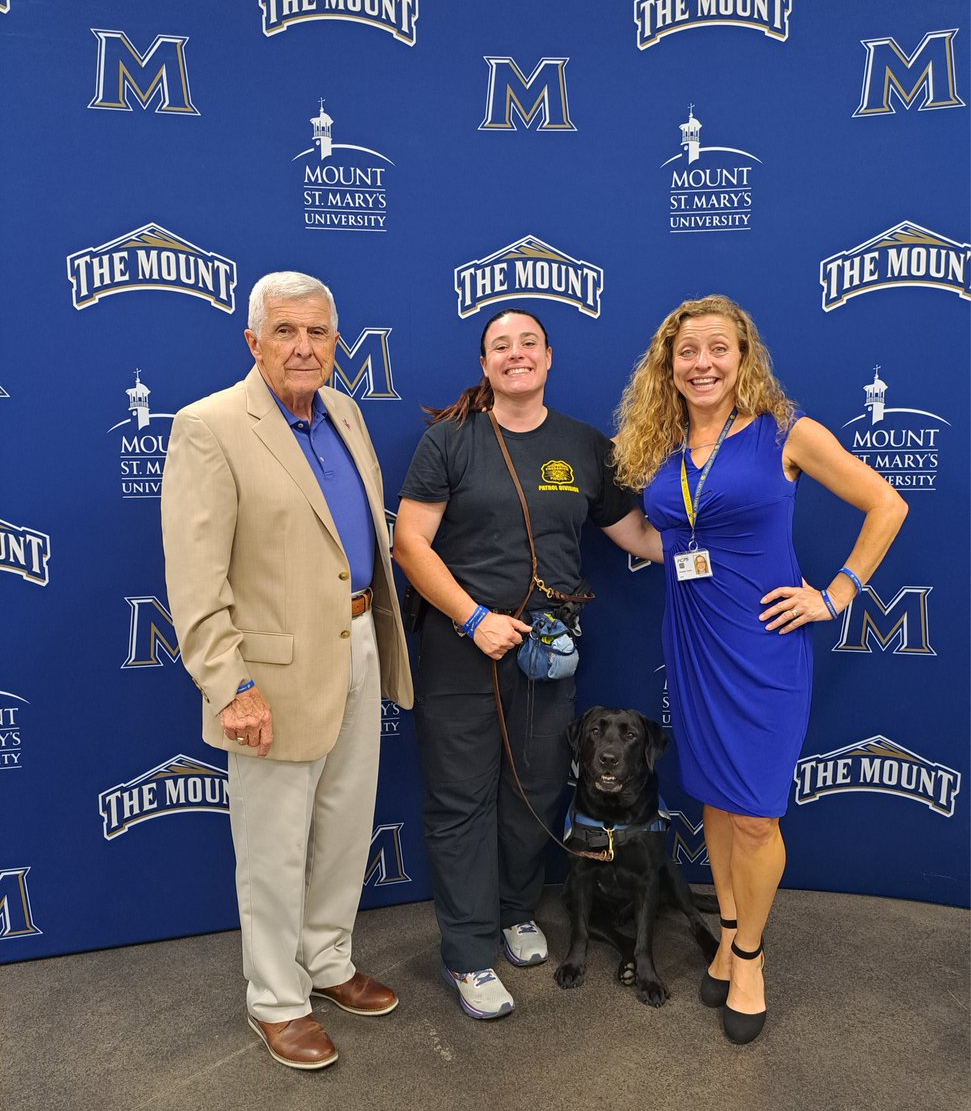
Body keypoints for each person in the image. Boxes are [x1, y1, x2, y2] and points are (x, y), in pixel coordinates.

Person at [612, 294, 907, 1044]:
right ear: (667, 364)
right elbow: (667, 538)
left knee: (754, 812)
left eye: (717, 348)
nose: (701, 363)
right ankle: (728, 929)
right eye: (686, 352)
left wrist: (834, 593)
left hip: (764, 644)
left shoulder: (786, 432)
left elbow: (886, 504)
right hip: (692, 640)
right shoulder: (659, 444)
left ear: (742, 357)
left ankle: (748, 956)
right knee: (713, 797)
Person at [160, 271, 413, 1070]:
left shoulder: (345, 411)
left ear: (336, 342)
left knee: (343, 826)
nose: (303, 348)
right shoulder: (209, 426)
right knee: (272, 846)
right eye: (285, 332)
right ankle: (275, 998)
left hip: (357, 642)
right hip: (266, 673)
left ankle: (327, 960)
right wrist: (229, 684)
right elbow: (195, 579)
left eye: (318, 333)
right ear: (253, 341)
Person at [393, 308, 657, 1020]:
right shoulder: (448, 442)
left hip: (548, 654)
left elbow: (633, 531)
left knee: (538, 788)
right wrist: (472, 618)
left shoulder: (582, 445)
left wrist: (718, 545)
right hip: (461, 648)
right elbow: (410, 544)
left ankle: (514, 910)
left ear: (548, 356)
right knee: (459, 801)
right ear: (484, 365)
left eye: (528, 343)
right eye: (499, 346)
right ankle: (468, 953)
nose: (515, 354)